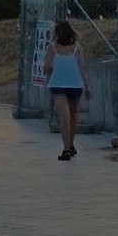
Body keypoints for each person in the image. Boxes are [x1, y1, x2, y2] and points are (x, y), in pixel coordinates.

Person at [44, 20, 91, 161]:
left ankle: (69, 146)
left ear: (57, 32)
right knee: (71, 116)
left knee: (67, 115)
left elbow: (47, 67)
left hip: (61, 84)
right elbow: (82, 68)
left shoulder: (52, 47)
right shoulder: (77, 48)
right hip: (73, 84)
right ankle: (68, 147)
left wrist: (57, 67)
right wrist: (87, 86)